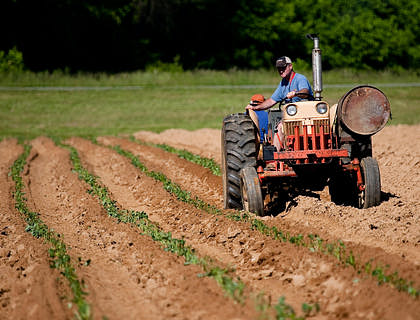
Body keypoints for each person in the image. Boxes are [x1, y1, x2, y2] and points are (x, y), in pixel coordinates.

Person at [245, 56, 313, 150]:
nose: (281, 71)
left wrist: (295, 93)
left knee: (281, 127)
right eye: (279, 69)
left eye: (283, 68)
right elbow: (272, 101)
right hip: (291, 118)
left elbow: (305, 92)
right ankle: (276, 158)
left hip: (307, 116)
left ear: (290, 66)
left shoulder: (300, 79)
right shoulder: (283, 83)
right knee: (279, 128)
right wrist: (255, 108)